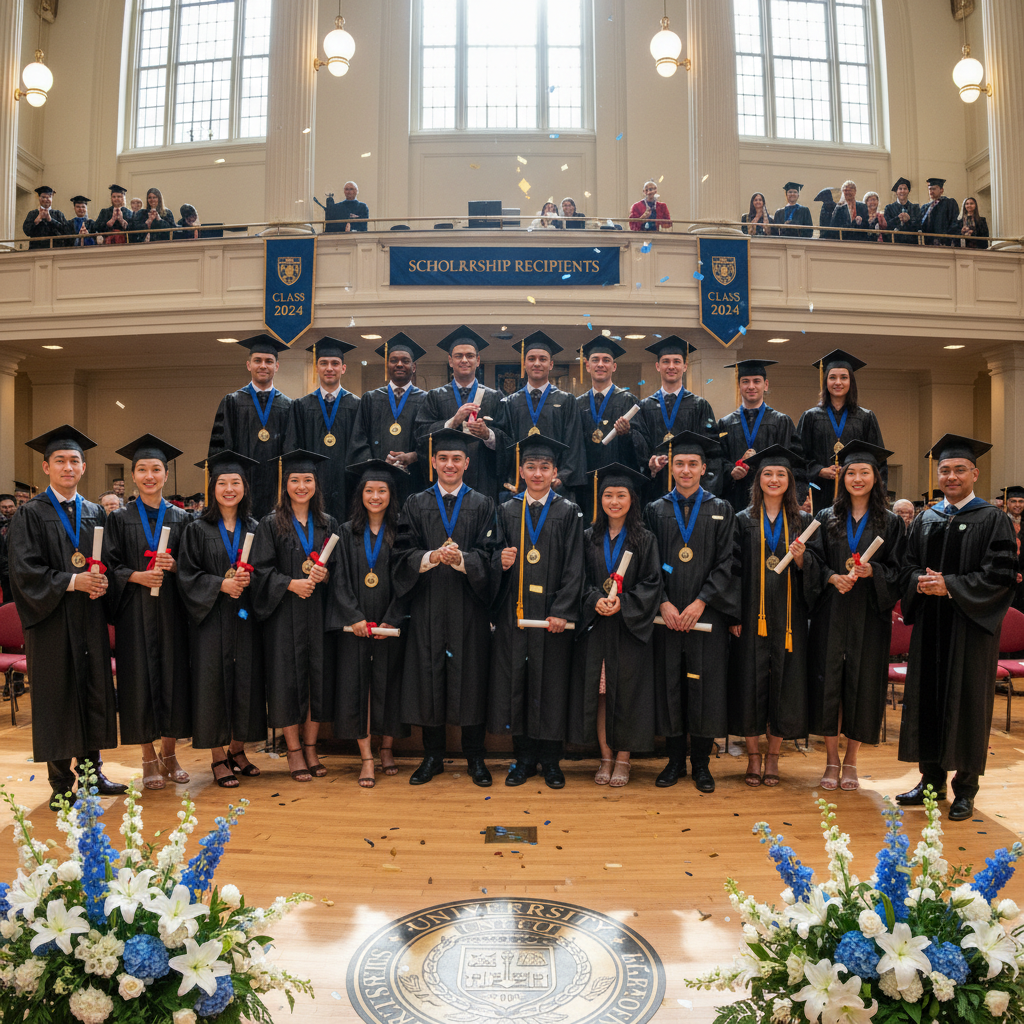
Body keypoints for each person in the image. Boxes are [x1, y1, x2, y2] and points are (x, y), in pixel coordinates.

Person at [896, 434, 1017, 821]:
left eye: (959, 469)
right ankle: (929, 782)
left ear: (974, 473)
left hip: (970, 628)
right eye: (944, 470)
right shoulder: (927, 518)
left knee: (967, 704)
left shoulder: (993, 519)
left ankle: (965, 790)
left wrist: (951, 586)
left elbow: (1001, 577)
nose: (951, 476)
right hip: (931, 626)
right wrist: (920, 581)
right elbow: (906, 565)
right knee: (927, 700)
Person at [6, 425, 126, 809]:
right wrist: (73, 581)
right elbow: (24, 571)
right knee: (58, 697)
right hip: (53, 621)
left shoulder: (94, 512)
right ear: (46, 467)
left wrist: (103, 581)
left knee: (91, 690)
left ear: (84, 466)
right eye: (60, 460)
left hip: (88, 618)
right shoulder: (30, 514)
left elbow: (107, 562)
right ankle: (61, 784)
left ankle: (93, 775)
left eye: (74, 460)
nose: (68, 467)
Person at [391, 428, 501, 787]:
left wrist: (462, 560)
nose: (450, 464)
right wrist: (430, 557)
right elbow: (401, 553)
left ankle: (475, 757)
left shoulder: (484, 504)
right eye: (443, 459)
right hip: (428, 605)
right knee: (428, 679)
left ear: (467, 463)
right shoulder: (415, 503)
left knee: (471, 679)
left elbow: (491, 556)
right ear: (433, 463)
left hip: (468, 607)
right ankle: (432, 756)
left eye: (457, 459)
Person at [805, 441, 905, 792]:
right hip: (832, 611)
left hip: (868, 615)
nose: (857, 478)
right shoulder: (825, 518)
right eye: (851, 473)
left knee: (862, 685)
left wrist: (873, 572)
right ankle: (831, 760)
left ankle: (852, 761)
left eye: (865, 472)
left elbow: (900, 571)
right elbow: (813, 562)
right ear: (842, 477)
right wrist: (832, 577)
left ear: (876, 478)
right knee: (830, 683)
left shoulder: (891, 523)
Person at [645, 432, 738, 792]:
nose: (685, 470)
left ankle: (701, 764)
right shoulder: (656, 510)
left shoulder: (720, 509)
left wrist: (701, 602)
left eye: (692, 464)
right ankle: (673, 763)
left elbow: (726, 562)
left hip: (706, 614)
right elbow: (649, 564)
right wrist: (664, 603)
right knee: (670, 686)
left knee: (704, 689)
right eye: (679, 464)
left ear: (704, 468)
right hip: (666, 616)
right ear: (671, 468)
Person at [490, 435, 584, 789]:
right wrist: (498, 561)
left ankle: (551, 760)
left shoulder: (568, 511)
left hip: (551, 619)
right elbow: (490, 558)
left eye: (545, 467)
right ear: (522, 471)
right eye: (531, 467)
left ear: (555, 472)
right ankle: (523, 759)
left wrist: (562, 609)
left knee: (551, 686)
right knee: (518, 686)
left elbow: (576, 566)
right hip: (515, 617)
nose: (538, 473)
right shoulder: (506, 510)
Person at [103, 434, 192, 790]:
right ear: (133, 475)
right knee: (138, 682)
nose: (149, 475)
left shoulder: (183, 518)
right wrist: (135, 575)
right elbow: (108, 566)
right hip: (134, 614)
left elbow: (196, 568)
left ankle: (170, 754)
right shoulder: (119, 518)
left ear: (166, 475)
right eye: (142, 469)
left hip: (172, 613)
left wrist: (176, 567)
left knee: (174, 680)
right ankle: (147, 757)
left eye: (156, 469)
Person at [728, 445, 816, 788]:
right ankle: (752, 756)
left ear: (790, 481)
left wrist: (801, 560)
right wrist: (733, 613)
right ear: (758, 479)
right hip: (751, 612)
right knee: (750, 679)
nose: (774, 479)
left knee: (786, 680)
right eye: (767, 474)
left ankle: (775, 757)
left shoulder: (804, 522)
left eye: (781, 474)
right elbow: (732, 570)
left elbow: (818, 571)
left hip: (791, 615)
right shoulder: (742, 520)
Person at [177, 450, 265, 788]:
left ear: (245, 487)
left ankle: (238, 750)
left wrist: (249, 583)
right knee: (211, 686)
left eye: (236, 482)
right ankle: (217, 756)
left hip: (245, 619)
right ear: (213, 487)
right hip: (211, 619)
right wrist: (220, 584)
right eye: (223, 483)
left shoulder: (256, 527)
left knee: (247, 683)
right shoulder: (197, 528)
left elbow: (268, 570)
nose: (230, 489)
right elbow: (187, 575)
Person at [569, 464, 659, 787]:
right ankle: (605, 756)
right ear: (600, 499)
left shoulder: (644, 539)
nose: (614, 501)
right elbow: (577, 579)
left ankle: (624, 759)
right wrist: (595, 599)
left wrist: (625, 602)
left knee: (628, 694)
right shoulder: (587, 538)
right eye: (608, 495)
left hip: (627, 629)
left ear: (632, 499)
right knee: (602, 694)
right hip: (597, 627)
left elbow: (652, 582)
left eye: (621, 495)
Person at [251, 449, 338, 783]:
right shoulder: (271, 524)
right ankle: (294, 751)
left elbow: (339, 572)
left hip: (316, 614)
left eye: (307, 480)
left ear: (316, 484)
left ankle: (312, 747)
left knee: (317, 679)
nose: (301, 486)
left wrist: (325, 576)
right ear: (284, 484)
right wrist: (290, 584)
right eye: (295, 480)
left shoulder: (328, 523)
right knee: (287, 682)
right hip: (284, 615)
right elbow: (260, 571)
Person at [326, 460, 409, 787]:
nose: (375, 496)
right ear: (361, 494)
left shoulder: (402, 531)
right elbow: (339, 581)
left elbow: (406, 579)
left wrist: (391, 618)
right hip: (355, 628)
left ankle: (387, 747)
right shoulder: (346, 532)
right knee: (356, 687)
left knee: (390, 685)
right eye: (369, 490)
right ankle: (367, 758)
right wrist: (355, 616)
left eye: (382, 491)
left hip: (390, 625)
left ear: (391, 494)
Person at [414, 326, 508, 503]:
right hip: (445, 478)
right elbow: (421, 435)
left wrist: (488, 435)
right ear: (450, 361)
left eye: (470, 356)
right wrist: (452, 421)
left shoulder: (494, 397)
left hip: (484, 478)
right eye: (458, 356)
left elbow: (508, 437)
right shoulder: (435, 396)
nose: (464, 360)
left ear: (478, 360)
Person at [209, 335, 293, 519]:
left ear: (276, 366)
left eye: (269, 361)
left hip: (276, 492)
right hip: (240, 491)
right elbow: (221, 450)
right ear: (249, 365)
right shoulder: (232, 402)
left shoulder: (288, 406)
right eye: (258, 360)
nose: (263, 365)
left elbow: (291, 453)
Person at [495, 332, 586, 502]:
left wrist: (561, 478)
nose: (537, 363)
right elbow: (505, 445)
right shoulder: (510, 402)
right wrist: (515, 479)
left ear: (551, 364)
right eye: (531, 359)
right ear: (524, 364)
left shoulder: (566, 401)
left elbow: (574, 444)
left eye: (543, 359)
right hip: (519, 487)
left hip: (556, 488)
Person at [797, 349, 886, 513]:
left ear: (851, 381)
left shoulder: (865, 417)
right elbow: (798, 458)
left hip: (857, 494)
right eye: (832, 377)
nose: (838, 382)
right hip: (819, 492)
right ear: (825, 381)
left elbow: (878, 460)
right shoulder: (810, 417)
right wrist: (819, 470)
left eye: (843, 377)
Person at [284, 337, 360, 522]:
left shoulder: (357, 405)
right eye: (323, 363)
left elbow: (360, 447)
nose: (329, 368)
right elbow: (293, 447)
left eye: (335, 363)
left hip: (346, 485)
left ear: (343, 368)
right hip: (311, 485)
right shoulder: (301, 406)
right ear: (316, 367)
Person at [348, 333, 428, 507]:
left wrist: (413, 456)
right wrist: (378, 465)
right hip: (378, 481)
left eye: (405, 361)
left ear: (413, 367)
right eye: (394, 360)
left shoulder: (426, 399)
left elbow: (430, 440)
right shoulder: (370, 398)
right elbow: (359, 440)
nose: (399, 364)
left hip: (413, 482)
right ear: (387, 365)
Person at [635, 337, 721, 497]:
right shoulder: (645, 407)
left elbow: (712, 452)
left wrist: (706, 492)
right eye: (666, 361)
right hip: (655, 490)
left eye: (677, 361)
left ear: (685, 366)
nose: (671, 366)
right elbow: (639, 451)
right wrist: (650, 467)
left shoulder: (700, 405)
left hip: (692, 489)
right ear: (657, 366)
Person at [717, 358, 802, 513]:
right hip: (735, 499)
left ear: (766, 385)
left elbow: (795, 463)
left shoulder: (781, 421)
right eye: (745, 381)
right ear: (739, 386)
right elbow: (716, 460)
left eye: (756, 381)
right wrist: (731, 471)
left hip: (773, 499)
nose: (751, 386)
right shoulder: (725, 423)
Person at [575, 338, 642, 522]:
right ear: (587, 365)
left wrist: (627, 433)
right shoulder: (577, 404)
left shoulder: (629, 401)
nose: (600, 364)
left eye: (606, 360)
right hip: (587, 485)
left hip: (619, 485)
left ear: (614, 366)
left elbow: (642, 445)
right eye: (595, 360)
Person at [919, 177, 959, 246]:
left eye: (934, 189)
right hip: (929, 242)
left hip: (945, 242)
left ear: (941, 190)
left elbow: (954, 222)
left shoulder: (949, 203)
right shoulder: (925, 208)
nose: (931, 192)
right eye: (929, 189)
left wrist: (948, 238)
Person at [884, 177, 920, 245]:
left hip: (912, 244)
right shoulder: (889, 208)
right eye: (900, 189)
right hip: (894, 243)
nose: (902, 191)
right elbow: (887, 226)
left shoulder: (915, 208)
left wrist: (909, 220)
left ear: (908, 191)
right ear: (896, 191)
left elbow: (918, 226)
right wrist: (898, 218)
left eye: (905, 189)